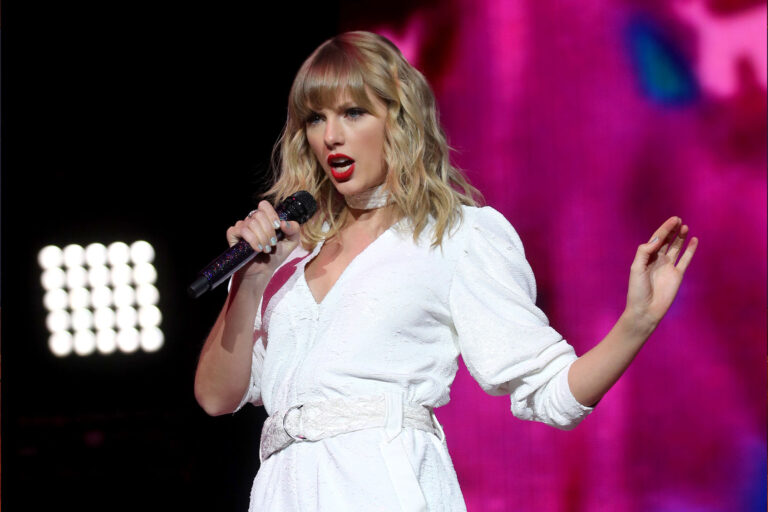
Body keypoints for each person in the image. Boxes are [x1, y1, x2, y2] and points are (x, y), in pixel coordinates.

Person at [194, 31, 698, 511]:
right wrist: (252, 279)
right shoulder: (290, 258)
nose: (331, 136)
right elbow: (217, 398)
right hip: (283, 491)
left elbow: (549, 391)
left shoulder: (452, 236)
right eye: (314, 118)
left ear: (398, 119)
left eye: (353, 112)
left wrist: (635, 324)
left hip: (383, 486)